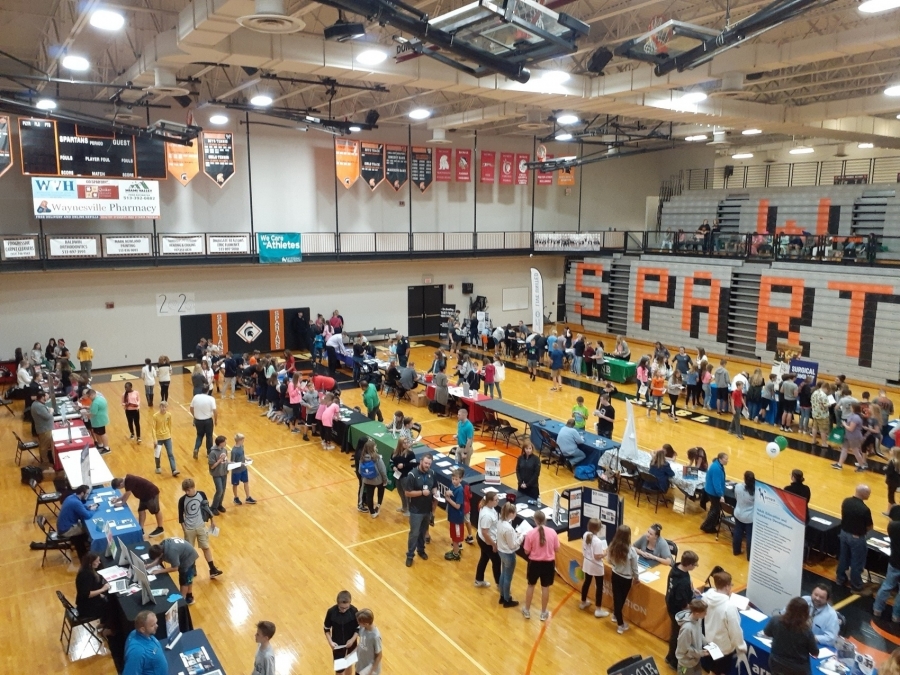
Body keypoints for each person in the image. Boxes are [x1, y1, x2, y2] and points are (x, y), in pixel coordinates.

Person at [177, 478, 223, 579]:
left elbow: (207, 508)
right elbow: (180, 517)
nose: (187, 492)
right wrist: (185, 530)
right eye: (185, 491)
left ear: (193, 487)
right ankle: (192, 568)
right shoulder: (182, 500)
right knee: (190, 550)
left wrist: (212, 520)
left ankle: (212, 569)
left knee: (206, 547)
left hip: (201, 526)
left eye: (188, 490)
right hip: (189, 529)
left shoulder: (201, 494)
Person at [701, 572, 746, 674]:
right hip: (723, 648)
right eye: (730, 585)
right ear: (726, 587)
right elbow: (735, 631)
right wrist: (741, 648)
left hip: (710, 642)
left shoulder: (706, 597)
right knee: (722, 672)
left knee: (713, 669)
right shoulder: (729, 607)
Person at [765, 597, 819, 675]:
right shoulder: (806, 631)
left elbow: (767, 633)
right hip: (798, 670)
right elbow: (815, 652)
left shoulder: (776, 620)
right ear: (806, 613)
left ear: (788, 607)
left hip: (776, 663)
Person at [522, 510, 560, 621]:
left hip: (534, 564)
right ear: (545, 520)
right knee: (545, 588)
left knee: (531, 586)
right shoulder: (553, 532)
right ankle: (543, 613)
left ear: (535, 520)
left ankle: (527, 610)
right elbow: (557, 548)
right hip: (548, 564)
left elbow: (526, 551)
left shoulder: (530, 533)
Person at [666, 551, 701, 668]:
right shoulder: (682, 582)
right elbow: (683, 603)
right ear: (689, 565)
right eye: (695, 565)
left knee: (674, 632)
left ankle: (669, 656)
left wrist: (692, 589)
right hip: (677, 610)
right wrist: (693, 609)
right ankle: (673, 660)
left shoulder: (676, 568)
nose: (695, 567)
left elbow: (687, 583)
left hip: (670, 603)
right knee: (677, 635)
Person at [838, 484, 873, 593]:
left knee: (843, 557)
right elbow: (870, 526)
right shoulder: (865, 509)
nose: (869, 495)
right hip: (856, 538)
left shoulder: (846, 501)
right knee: (857, 562)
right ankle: (856, 585)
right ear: (863, 493)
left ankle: (840, 578)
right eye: (868, 493)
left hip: (843, 534)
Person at [404, 453, 437, 567]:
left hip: (427, 509)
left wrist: (435, 492)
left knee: (423, 532)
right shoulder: (412, 475)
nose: (427, 465)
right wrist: (422, 493)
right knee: (414, 533)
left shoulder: (432, 473)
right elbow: (407, 493)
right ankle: (409, 555)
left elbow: (434, 486)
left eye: (429, 464)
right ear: (421, 461)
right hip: (415, 510)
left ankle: (421, 550)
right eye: (426, 463)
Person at [607, 524, 639, 634]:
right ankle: (620, 625)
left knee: (617, 598)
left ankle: (615, 616)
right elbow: (635, 567)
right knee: (620, 601)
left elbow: (609, 561)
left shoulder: (612, 546)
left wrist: (617, 565)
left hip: (615, 574)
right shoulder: (631, 551)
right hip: (626, 579)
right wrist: (637, 578)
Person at [148, 538, 200, 604]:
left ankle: (182, 601)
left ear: (160, 554)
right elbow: (159, 559)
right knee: (188, 579)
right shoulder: (161, 546)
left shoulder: (171, 553)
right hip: (186, 551)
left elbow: (175, 568)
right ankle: (189, 597)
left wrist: (159, 571)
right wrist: (149, 566)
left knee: (184, 580)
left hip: (188, 558)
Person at [75, 552, 116, 633]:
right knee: (113, 605)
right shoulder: (86, 575)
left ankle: (104, 623)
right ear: (91, 563)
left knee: (108, 599)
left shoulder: (87, 570)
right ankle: (109, 629)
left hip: (86, 603)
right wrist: (103, 589)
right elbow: (87, 594)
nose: (99, 562)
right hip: (87, 608)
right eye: (97, 561)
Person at [579, 518, 609, 618]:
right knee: (599, 587)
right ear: (599, 529)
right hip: (596, 566)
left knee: (587, 582)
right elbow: (597, 556)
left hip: (587, 562)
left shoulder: (585, 535)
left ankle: (583, 602)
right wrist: (605, 553)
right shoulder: (598, 542)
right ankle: (598, 609)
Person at [57, 484, 97, 558]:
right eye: (87, 493)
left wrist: (87, 507)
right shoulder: (76, 503)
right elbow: (87, 515)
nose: (87, 495)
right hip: (66, 530)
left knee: (84, 525)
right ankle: (91, 549)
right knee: (89, 529)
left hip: (63, 526)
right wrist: (93, 510)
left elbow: (80, 506)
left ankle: (85, 543)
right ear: (82, 493)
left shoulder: (71, 497)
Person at [324, 590, 358, 675]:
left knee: (349, 664)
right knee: (339, 670)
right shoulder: (331, 612)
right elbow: (326, 629)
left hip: (351, 644)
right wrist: (330, 642)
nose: (344, 610)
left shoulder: (354, 611)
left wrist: (352, 640)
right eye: (342, 608)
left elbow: (358, 628)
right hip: (338, 646)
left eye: (347, 607)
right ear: (337, 604)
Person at [123, 610, 167, 675]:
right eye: (152, 625)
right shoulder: (137, 652)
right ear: (142, 629)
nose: (157, 626)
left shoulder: (143, 633)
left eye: (156, 623)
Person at [496, 501, 523, 608]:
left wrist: (515, 534)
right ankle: (507, 599)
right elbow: (512, 546)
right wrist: (522, 537)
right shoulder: (508, 528)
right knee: (508, 577)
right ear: (510, 513)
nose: (516, 514)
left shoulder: (500, 522)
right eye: (515, 512)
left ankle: (502, 596)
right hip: (508, 554)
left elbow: (506, 538)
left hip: (501, 551)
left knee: (503, 574)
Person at [475, 489, 501, 589]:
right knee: (497, 561)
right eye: (496, 500)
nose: (497, 501)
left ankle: (479, 580)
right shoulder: (486, 515)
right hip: (486, 541)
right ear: (490, 501)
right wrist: (494, 545)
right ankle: (499, 584)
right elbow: (485, 533)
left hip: (483, 538)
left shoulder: (487, 505)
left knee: (484, 558)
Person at [833, 403, 868, 471]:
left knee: (855, 451)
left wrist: (844, 424)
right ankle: (839, 464)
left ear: (854, 408)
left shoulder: (856, 417)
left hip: (854, 437)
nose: (850, 408)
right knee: (844, 449)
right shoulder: (853, 415)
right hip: (848, 436)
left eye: (851, 407)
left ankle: (862, 466)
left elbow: (851, 429)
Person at [700, 453, 729, 533]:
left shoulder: (717, 465)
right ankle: (707, 526)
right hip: (713, 492)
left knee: (714, 508)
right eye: (726, 459)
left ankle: (712, 523)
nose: (727, 461)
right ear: (720, 459)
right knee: (715, 510)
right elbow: (716, 483)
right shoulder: (716, 468)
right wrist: (721, 495)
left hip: (710, 490)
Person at [359, 439, 388, 518]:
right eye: (375, 446)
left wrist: (366, 476)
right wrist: (385, 480)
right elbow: (383, 471)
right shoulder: (377, 458)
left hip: (367, 480)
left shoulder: (362, 458)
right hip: (378, 481)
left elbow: (359, 470)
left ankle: (372, 513)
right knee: (381, 491)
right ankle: (378, 505)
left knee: (369, 496)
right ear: (373, 448)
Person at [444, 468, 467, 561]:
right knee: (453, 535)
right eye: (453, 479)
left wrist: (448, 499)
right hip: (452, 516)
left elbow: (458, 506)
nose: (454, 481)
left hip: (457, 518)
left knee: (456, 537)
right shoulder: (453, 486)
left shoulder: (460, 490)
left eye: (456, 479)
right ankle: (455, 549)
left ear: (460, 479)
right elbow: (449, 493)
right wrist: (447, 493)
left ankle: (456, 554)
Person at [150, 401, 178, 476]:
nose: (163, 408)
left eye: (165, 407)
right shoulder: (155, 416)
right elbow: (153, 428)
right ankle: (158, 467)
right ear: (160, 407)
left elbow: (169, 425)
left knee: (170, 453)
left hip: (167, 437)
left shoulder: (169, 415)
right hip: (158, 438)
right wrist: (155, 439)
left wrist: (170, 435)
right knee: (157, 454)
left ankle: (174, 470)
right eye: (162, 407)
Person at [190, 385, 217, 460]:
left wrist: (195, 416)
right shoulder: (211, 398)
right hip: (208, 420)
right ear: (208, 390)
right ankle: (209, 453)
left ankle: (196, 448)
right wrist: (216, 420)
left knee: (199, 435)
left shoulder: (196, 397)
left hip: (198, 420)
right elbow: (215, 410)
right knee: (209, 436)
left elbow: (191, 408)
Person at [733, 471, 755, 559]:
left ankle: (736, 551)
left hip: (738, 513)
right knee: (749, 536)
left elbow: (736, 497)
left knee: (737, 533)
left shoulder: (738, 486)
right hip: (749, 517)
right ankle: (749, 556)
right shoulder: (755, 492)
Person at [231, 433, 256, 505]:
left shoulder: (242, 446)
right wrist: (240, 464)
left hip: (243, 468)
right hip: (236, 471)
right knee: (235, 484)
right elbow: (232, 462)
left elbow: (242, 455)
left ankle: (248, 497)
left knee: (246, 482)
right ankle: (236, 498)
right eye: (243, 439)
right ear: (240, 440)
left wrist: (246, 458)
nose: (244, 440)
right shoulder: (234, 451)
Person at [355, 608, 382, 675]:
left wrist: (371, 672)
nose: (358, 624)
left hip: (368, 670)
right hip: (360, 666)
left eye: (359, 623)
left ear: (366, 624)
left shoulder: (375, 637)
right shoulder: (362, 628)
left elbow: (379, 656)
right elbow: (361, 644)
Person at [31, 390, 54, 464]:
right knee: (44, 446)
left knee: (44, 445)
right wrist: (51, 411)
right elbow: (47, 416)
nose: (47, 396)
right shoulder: (38, 406)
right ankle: (45, 462)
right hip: (44, 430)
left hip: (45, 428)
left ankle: (45, 459)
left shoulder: (38, 404)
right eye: (46, 395)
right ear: (42, 397)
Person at [208, 435, 230, 514]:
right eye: (224, 442)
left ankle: (219, 505)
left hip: (224, 473)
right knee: (219, 490)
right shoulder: (213, 453)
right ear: (220, 443)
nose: (225, 443)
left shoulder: (224, 450)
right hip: (217, 474)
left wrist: (231, 464)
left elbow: (226, 461)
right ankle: (213, 507)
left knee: (223, 490)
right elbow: (212, 466)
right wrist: (219, 460)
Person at [87, 388, 111, 455]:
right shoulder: (100, 398)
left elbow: (93, 413)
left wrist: (87, 415)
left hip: (98, 420)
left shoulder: (95, 402)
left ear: (92, 395)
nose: (89, 398)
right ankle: (100, 445)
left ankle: (106, 448)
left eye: (89, 396)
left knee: (102, 433)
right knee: (97, 433)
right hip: (101, 419)